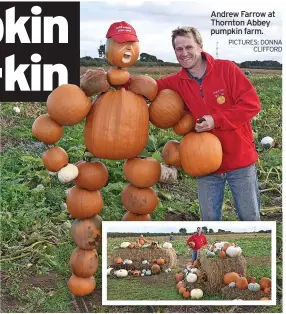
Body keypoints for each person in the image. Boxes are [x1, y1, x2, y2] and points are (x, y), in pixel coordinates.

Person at [156, 26, 261, 221]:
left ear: (200, 46)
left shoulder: (226, 69)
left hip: (239, 157)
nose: (184, 53)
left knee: (250, 216)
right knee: (209, 218)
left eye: (189, 47)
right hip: (204, 162)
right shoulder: (177, 81)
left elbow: (251, 104)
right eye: (179, 49)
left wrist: (216, 120)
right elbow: (150, 88)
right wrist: (117, 82)